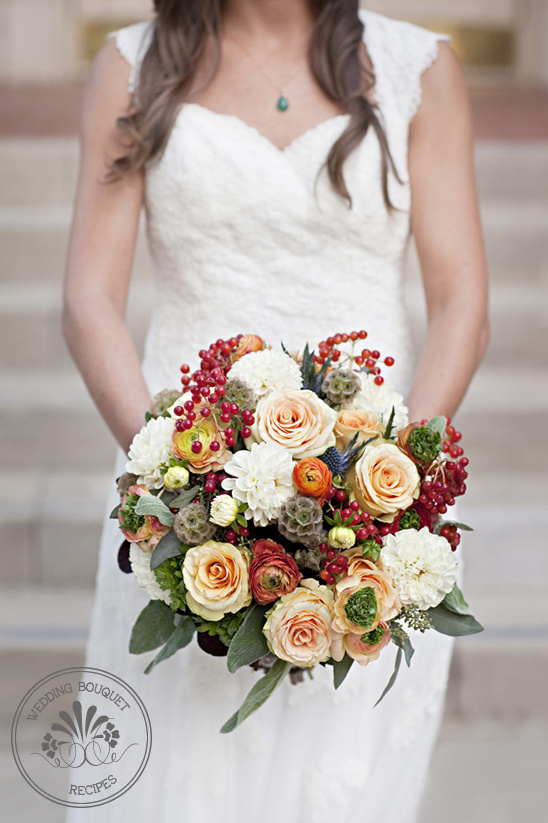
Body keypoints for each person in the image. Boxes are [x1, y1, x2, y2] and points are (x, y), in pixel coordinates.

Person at [63, 1, 489, 821]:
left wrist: (386, 490)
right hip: (178, 492)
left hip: (375, 510)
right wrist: (180, 481)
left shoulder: (421, 70)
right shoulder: (132, 64)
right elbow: (88, 301)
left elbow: (463, 303)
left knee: (342, 782)